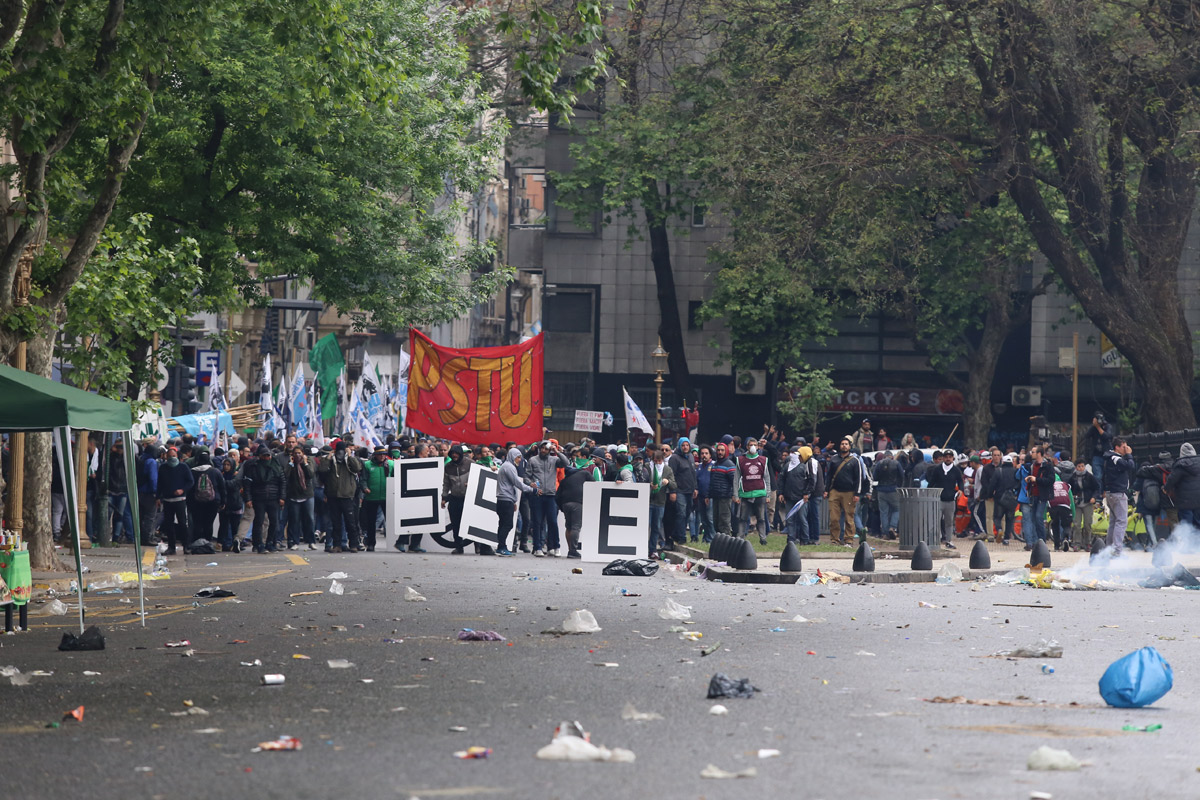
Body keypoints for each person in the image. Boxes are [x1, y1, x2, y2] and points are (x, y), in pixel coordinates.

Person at [319, 440, 363, 553]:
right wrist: (328, 458)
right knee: (335, 522)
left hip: (347, 496)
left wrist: (350, 456)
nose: (340, 454)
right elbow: (322, 470)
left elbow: (357, 468)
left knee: (351, 522)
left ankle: (353, 544)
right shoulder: (331, 461)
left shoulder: (349, 461)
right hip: (333, 495)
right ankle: (337, 545)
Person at [526, 440, 568, 557]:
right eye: (542, 448)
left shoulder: (554, 460)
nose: (543, 450)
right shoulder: (533, 460)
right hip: (537, 495)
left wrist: (557, 451)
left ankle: (555, 546)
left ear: (549, 450)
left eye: (546, 448)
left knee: (553, 522)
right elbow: (526, 476)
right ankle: (538, 547)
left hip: (551, 495)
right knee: (537, 522)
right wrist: (531, 484)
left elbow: (566, 463)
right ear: (539, 449)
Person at [557, 450, 601, 559]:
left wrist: (561, 507)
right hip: (578, 502)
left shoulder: (564, 480)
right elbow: (594, 485)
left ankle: (570, 549)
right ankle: (573, 550)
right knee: (576, 527)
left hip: (565, 504)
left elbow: (557, 495)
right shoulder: (585, 473)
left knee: (569, 526)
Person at [243, 444, 285, 554]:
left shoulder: (276, 467)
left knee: (274, 522)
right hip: (259, 498)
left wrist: (282, 497)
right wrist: (248, 499)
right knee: (259, 522)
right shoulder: (254, 467)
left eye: (268, 456)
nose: (267, 458)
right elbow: (247, 484)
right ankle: (258, 544)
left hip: (273, 498)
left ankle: (270, 542)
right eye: (265, 456)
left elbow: (282, 483)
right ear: (260, 456)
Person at [825, 438, 865, 547]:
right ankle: (834, 540)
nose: (844, 446)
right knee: (834, 518)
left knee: (849, 518)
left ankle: (848, 540)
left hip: (849, 492)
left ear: (849, 446)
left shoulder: (854, 460)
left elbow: (859, 478)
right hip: (835, 491)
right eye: (842, 444)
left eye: (846, 444)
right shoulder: (833, 459)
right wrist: (826, 490)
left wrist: (857, 493)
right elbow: (829, 476)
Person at [156, 446, 194, 555]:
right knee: (169, 524)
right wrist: (158, 497)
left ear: (177, 456)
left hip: (180, 500)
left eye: (174, 456)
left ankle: (186, 546)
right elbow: (160, 484)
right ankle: (171, 547)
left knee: (182, 523)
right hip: (167, 500)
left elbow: (190, 482)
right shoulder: (163, 468)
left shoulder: (183, 467)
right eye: (169, 456)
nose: (172, 458)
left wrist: (182, 490)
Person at [1101, 437, 1135, 555]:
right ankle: (1116, 549)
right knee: (1121, 521)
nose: (1125, 449)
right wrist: (1129, 455)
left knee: (1114, 521)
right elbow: (1130, 466)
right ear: (1117, 447)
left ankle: (1109, 548)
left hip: (1111, 492)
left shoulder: (1109, 457)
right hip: (1118, 493)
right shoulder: (1115, 458)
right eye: (1123, 447)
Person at [735, 437, 772, 545]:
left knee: (761, 518)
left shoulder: (763, 460)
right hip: (745, 494)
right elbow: (736, 479)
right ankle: (740, 537)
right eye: (750, 445)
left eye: (755, 445)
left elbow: (767, 478)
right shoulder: (740, 460)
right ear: (747, 447)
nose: (753, 447)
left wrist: (768, 494)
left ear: (758, 446)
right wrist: (736, 495)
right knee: (742, 518)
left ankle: (763, 538)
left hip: (760, 493)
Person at [496, 447, 533, 556]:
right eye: (518, 457)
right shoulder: (509, 467)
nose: (519, 460)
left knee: (503, 524)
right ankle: (501, 546)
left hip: (505, 499)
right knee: (507, 524)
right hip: (505, 499)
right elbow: (517, 483)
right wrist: (532, 490)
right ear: (512, 456)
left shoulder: (506, 466)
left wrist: (514, 501)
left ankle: (501, 546)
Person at [1134, 451, 1173, 551]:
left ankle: (1154, 544)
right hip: (1156, 504)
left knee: (1148, 525)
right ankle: (1149, 545)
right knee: (1153, 525)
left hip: (1145, 504)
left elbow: (1136, 487)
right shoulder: (1156, 474)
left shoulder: (1142, 477)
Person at [442, 444, 476, 555]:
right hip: (454, 498)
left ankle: (479, 546)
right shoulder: (448, 467)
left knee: (472, 523)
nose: (454, 456)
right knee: (456, 524)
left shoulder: (470, 463)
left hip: (468, 498)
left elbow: (478, 477)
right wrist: (444, 497)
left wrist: (471, 483)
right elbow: (446, 484)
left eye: (456, 454)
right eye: (452, 454)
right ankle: (459, 547)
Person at [926, 450, 963, 549]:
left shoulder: (956, 470)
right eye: (946, 456)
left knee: (949, 521)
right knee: (936, 520)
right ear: (943, 458)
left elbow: (960, 482)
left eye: (950, 457)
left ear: (953, 458)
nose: (948, 458)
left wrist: (960, 490)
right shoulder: (937, 469)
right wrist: (928, 493)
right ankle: (935, 539)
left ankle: (949, 540)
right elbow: (932, 482)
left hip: (950, 500)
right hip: (938, 499)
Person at [779, 445, 815, 544]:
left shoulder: (805, 466)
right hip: (789, 497)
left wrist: (807, 494)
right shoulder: (787, 466)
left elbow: (810, 481)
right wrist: (781, 493)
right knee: (790, 519)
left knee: (802, 519)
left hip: (801, 498)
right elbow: (781, 479)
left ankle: (805, 539)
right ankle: (791, 539)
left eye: (795, 453)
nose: (792, 455)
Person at [189, 449, 225, 548]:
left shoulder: (192, 472)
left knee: (198, 522)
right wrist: (223, 501)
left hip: (196, 501)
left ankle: (197, 543)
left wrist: (189, 503)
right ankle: (207, 543)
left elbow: (189, 488)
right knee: (209, 523)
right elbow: (222, 487)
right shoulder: (215, 471)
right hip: (213, 501)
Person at [285, 445, 317, 551]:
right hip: (294, 496)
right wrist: (291, 463)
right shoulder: (291, 464)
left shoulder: (309, 461)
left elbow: (311, 474)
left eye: (299, 453)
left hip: (307, 495)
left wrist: (305, 463)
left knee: (310, 519)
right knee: (294, 520)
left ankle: (311, 541)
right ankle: (294, 541)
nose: (297, 455)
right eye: (295, 453)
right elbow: (286, 475)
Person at [647, 446, 677, 558]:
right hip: (648, 500)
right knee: (647, 525)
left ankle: (652, 549)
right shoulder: (647, 467)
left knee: (656, 527)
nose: (657, 463)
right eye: (655, 461)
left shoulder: (667, 470)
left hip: (660, 502)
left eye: (659, 461)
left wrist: (667, 481)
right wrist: (649, 484)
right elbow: (642, 479)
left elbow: (674, 485)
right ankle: (643, 547)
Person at [668, 438, 699, 545]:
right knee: (680, 513)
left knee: (687, 513)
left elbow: (693, 473)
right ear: (679, 446)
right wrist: (673, 491)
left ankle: (677, 533)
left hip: (689, 490)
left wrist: (695, 487)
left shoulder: (690, 456)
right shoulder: (674, 458)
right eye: (683, 445)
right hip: (679, 490)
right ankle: (681, 536)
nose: (685, 447)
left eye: (687, 445)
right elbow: (672, 475)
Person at [358, 447, 389, 552]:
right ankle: (371, 543)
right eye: (380, 454)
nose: (382, 456)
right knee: (371, 522)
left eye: (384, 454)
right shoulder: (367, 465)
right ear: (375, 455)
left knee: (390, 520)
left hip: (387, 497)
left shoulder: (391, 465)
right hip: (372, 498)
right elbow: (363, 479)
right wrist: (365, 488)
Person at [1166, 442, 1200, 531]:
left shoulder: (1180, 465)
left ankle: (1188, 544)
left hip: (1185, 501)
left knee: (1186, 526)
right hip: (1198, 501)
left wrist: (1166, 488)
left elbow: (1171, 480)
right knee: (1198, 524)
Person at [107, 439, 135, 545]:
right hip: (111, 489)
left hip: (122, 490)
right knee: (108, 513)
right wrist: (111, 451)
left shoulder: (127, 458)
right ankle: (107, 535)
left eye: (122, 447)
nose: (120, 449)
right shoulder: (111, 457)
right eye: (118, 447)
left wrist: (125, 452)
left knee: (120, 514)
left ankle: (116, 537)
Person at [1067, 461, 1099, 551]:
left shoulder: (1090, 477)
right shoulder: (1073, 478)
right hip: (1077, 503)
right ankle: (1076, 543)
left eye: (1082, 466)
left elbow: (1097, 488)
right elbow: (1068, 488)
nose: (1081, 468)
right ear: (1076, 467)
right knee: (1076, 524)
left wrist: (1094, 497)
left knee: (1087, 524)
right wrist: (1072, 496)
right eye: (1079, 466)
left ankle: (1087, 543)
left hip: (1087, 502)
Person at [872, 451, 903, 539]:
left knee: (883, 512)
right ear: (892, 457)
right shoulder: (896, 463)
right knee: (897, 509)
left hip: (881, 491)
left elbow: (875, 477)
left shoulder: (879, 464)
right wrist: (899, 486)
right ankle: (892, 527)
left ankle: (885, 533)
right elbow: (901, 476)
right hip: (893, 490)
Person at [990, 454, 1019, 545]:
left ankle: (999, 529)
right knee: (1009, 519)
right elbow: (1019, 484)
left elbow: (992, 485)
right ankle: (1006, 539)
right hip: (1012, 499)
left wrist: (990, 494)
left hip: (1000, 498)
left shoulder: (998, 471)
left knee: (997, 517)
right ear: (1011, 462)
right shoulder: (1016, 472)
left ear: (1003, 462)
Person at [137, 442, 161, 547]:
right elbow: (153, 478)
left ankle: (140, 536)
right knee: (150, 516)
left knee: (141, 516)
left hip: (139, 491)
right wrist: (156, 492)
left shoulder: (141, 459)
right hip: (149, 492)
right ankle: (147, 538)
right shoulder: (151, 462)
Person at [709, 442, 736, 536]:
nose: (720, 452)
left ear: (726, 451)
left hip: (725, 496)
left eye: (722, 450)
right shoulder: (715, 464)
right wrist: (709, 495)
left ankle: (727, 542)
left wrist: (734, 494)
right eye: (718, 450)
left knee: (724, 521)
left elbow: (735, 481)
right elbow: (711, 481)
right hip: (715, 496)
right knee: (716, 521)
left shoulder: (729, 465)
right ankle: (719, 542)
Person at [219, 455, 245, 552]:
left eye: (228, 465)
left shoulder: (236, 476)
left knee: (235, 526)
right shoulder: (221, 475)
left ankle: (236, 543)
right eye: (225, 464)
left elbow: (233, 485)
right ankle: (225, 543)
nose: (226, 467)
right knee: (224, 525)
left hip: (235, 504)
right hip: (224, 504)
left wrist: (222, 482)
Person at [1081, 412, 1114, 487]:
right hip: (1096, 454)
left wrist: (1099, 427)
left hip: (1106, 454)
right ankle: (1098, 494)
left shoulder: (1107, 426)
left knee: (1107, 475)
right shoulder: (1093, 428)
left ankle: (1104, 491)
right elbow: (1087, 435)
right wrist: (1094, 426)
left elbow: (1107, 436)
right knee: (1097, 476)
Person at [695, 445, 715, 542]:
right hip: (700, 496)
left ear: (710, 455)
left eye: (706, 453)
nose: (704, 455)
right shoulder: (698, 467)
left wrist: (709, 494)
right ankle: (706, 537)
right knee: (703, 519)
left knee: (710, 518)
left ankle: (712, 538)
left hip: (710, 496)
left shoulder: (714, 465)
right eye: (702, 453)